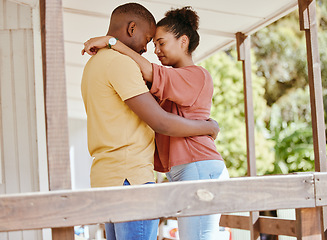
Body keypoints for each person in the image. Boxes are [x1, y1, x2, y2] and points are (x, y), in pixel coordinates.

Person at [82, 6, 229, 240]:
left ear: (183, 42)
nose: (153, 49)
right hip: (179, 169)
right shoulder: (161, 82)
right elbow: (156, 106)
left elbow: (151, 76)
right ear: (132, 28)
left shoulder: (195, 75)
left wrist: (112, 42)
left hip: (198, 164)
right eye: (152, 42)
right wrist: (209, 127)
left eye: (160, 42)